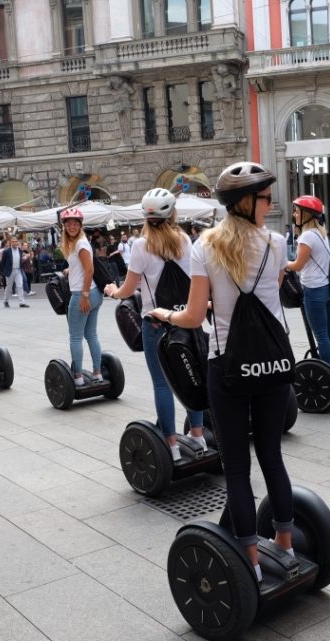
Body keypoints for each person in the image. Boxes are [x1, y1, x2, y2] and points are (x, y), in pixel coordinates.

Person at [148, 161, 295, 583]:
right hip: (273, 363)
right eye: (266, 198)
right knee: (272, 457)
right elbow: (266, 295)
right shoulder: (278, 243)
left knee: (236, 468)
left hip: (228, 367)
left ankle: (248, 560)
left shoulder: (203, 247)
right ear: (247, 202)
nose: (270, 204)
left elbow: (194, 317)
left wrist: (164, 313)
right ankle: (285, 548)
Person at [104, 188, 207, 462]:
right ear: (172, 213)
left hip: (156, 324)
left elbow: (128, 290)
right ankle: (198, 436)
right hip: (186, 320)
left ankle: (171, 445)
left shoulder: (140, 245)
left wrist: (112, 290)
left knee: (162, 385)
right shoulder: (185, 240)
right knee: (193, 379)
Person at [286, 195, 330, 380]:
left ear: (306, 214)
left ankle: (327, 373)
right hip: (326, 288)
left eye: (297, 211)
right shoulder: (321, 233)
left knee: (321, 335)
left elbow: (298, 266)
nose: (294, 214)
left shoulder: (306, 237)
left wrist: (282, 262)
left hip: (313, 290)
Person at [59, 206, 104, 386]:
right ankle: (98, 373)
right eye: (68, 223)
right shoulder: (80, 243)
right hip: (93, 293)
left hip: (83, 294)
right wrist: (71, 269)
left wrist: (84, 295)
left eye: (75, 223)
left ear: (80, 225)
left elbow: (90, 269)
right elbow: (84, 265)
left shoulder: (80, 243)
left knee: (75, 337)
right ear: (64, 226)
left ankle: (77, 377)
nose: (71, 226)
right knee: (91, 335)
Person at [0, 235, 29, 308]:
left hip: (18, 270)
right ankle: (5, 301)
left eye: (15, 241)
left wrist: (25, 258)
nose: (14, 243)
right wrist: (3, 272)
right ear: (10, 242)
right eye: (13, 241)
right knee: (9, 287)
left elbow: (20, 260)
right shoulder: (6, 251)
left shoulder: (20, 251)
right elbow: (2, 262)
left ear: (18, 242)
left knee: (20, 285)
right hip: (10, 271)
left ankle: (22, 302)